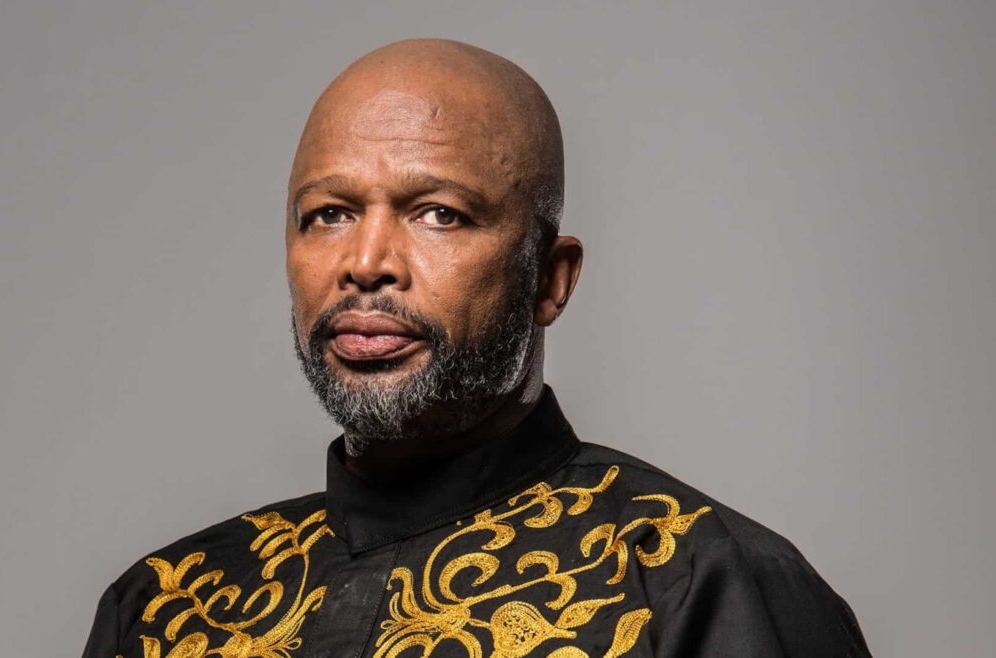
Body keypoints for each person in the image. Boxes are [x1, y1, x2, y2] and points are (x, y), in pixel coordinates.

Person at [81, 39, 870, 658]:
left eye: (440, 214)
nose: (366, 262)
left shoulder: (697, 579)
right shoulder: (165, 606)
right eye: (328, 214)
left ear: (549, 279)